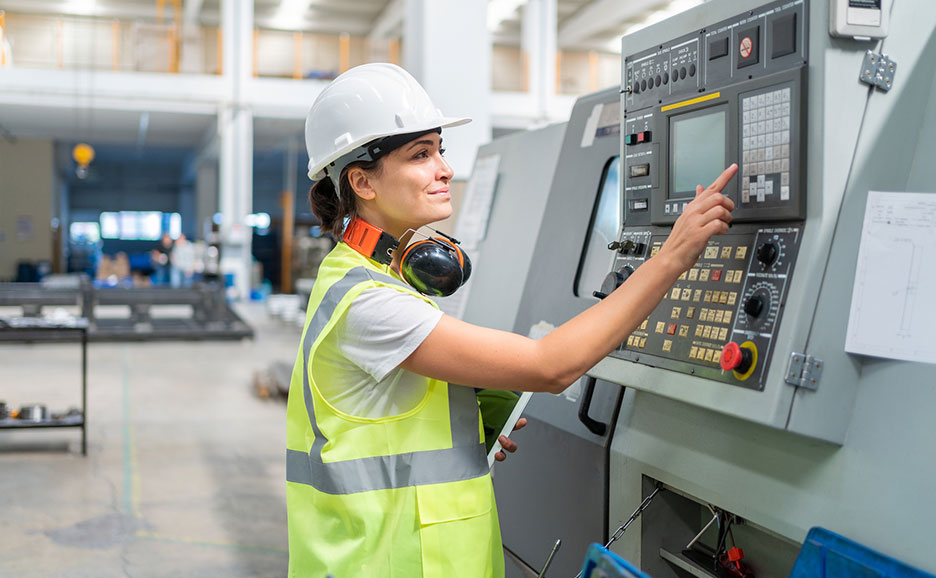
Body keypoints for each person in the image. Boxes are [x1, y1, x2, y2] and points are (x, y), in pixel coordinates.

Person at [286, 63, 736, 578]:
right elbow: (551, 366)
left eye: (440, 150)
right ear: (362, 181)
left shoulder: (374, 275)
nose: (444, 169)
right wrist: (672, 257)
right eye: (420, 155)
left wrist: (464, 425)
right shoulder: (370, 302)